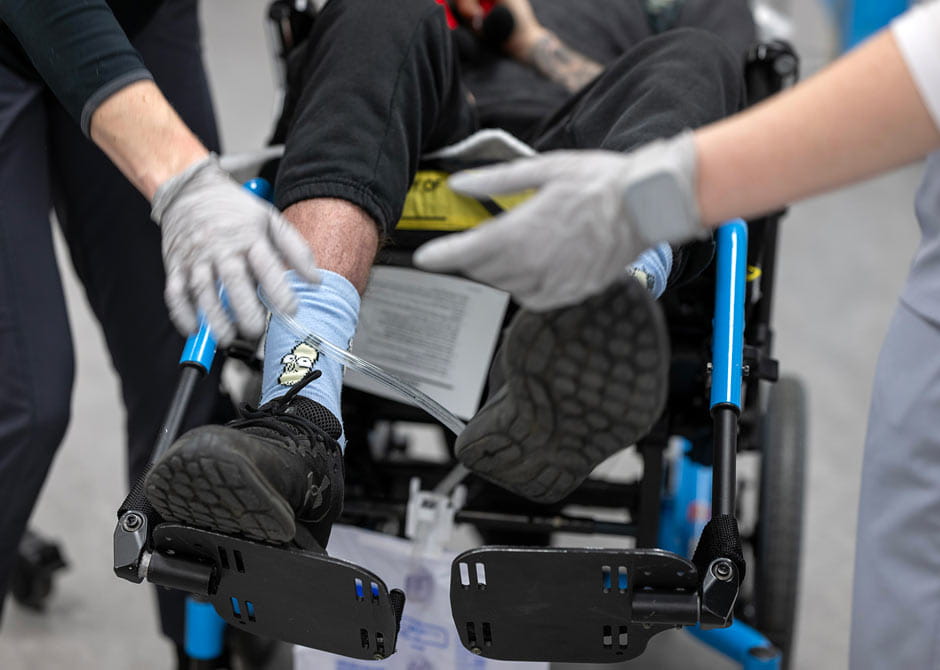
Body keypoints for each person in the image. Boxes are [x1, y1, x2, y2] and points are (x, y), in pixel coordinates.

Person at [413, 2, 940, 668]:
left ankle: (607, 293)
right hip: (456, 165)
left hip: (604, 169)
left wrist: (534, 43)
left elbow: (713, 120)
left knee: (698, 56)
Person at [141, 0, 757, 550]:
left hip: (585, 158)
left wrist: (533, 43)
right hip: (427, 140)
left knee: (696, 57)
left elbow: (729, 119)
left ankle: (592, 321)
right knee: (377, 9)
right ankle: (298, 424)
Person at [0, 0, 318, 663]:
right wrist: (181, 177)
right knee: (23, 403)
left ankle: (203, 644)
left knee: (186, 366)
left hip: (136, 14)